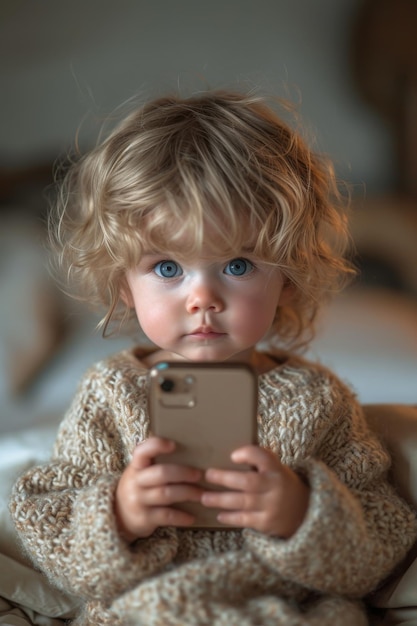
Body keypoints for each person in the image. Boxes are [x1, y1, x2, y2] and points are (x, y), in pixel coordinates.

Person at [10, 90, 417, 626]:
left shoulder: (319, 399)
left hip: (288, 611)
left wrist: (302, 514)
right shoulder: (111, 393)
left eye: (239, 265)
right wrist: (119, 513)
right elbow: (51, 526)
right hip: (148, 609)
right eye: (167, 268)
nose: (203, 297)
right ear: (124, 284)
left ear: (287, 280)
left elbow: (382, 535)